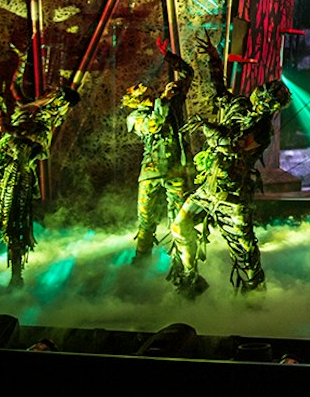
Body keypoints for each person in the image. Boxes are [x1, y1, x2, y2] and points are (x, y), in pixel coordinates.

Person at [168, 35, 291, 295]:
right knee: (180, 225)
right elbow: (219, 89)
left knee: (245, 252)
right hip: (209, 187)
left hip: (232, 197)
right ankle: (191, 278)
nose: (264, 99)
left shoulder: (262, 128)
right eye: (265, 93)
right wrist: (213, 57)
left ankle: (254, 296)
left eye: (271, 100)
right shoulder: (239, 106)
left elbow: (232, 144)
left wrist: (206, 126)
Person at [0, 45, 79, 287]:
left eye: (53, 93)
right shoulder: (30, 108)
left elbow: (7, 129)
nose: (47, 91)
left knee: (12, 228)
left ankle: (16, 278)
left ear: (56, 103)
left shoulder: (41, 125)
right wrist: (22, 61)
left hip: (17, 174)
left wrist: (1, 108)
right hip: (1, 170)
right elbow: (15, 88)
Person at [122, 38, 194, 263]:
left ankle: (181, 264)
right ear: (134, 99)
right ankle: (141, 261)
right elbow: (153, 125)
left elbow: (187, 74)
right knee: (146, 221)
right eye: (135, 88)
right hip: (151, 173)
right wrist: (163, 99)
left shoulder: (170, 101)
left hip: (175, 170)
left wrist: (168, 57)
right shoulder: (134, 117)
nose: (140, 84)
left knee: (180, 219)